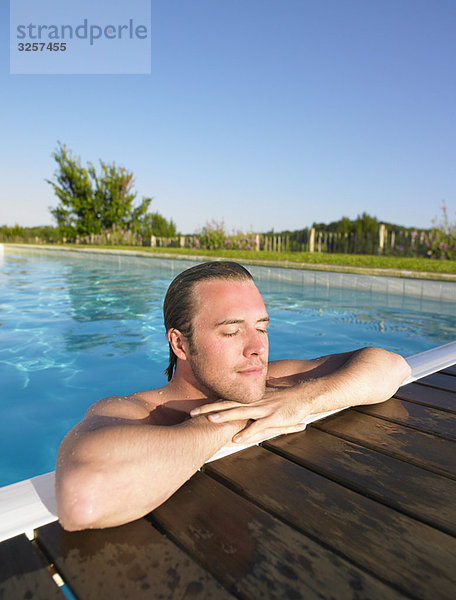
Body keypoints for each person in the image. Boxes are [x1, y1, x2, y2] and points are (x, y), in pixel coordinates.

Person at [56, 261, 411, 531]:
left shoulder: (277, 385)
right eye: (231, 332)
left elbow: (393, 367)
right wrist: (234, 418)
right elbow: (81, 501)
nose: (258, 348)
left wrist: (304, 400)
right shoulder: (134, 411)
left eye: (262, 328)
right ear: (180, 343)